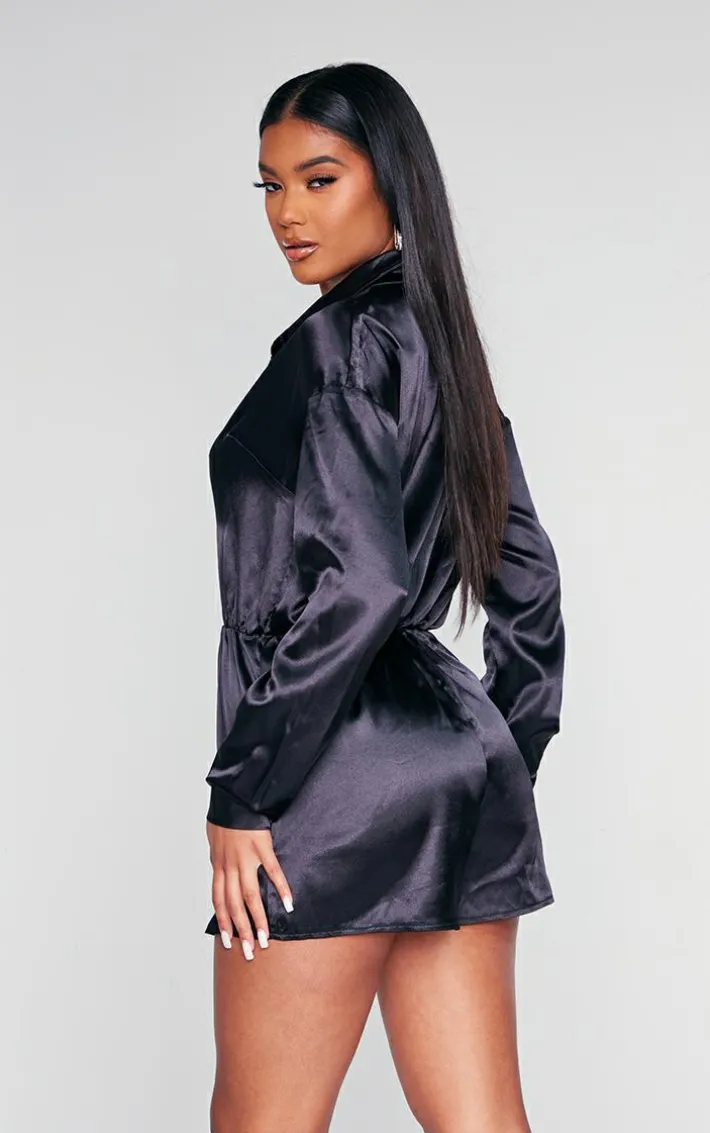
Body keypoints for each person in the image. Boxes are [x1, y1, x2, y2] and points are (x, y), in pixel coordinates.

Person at [203, 61, 565, 1133]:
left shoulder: (332, 347)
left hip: (330, 772)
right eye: (270, 185)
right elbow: (530, 585)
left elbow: (359, 581)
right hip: (455, 763)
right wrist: (493, 760)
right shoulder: (442, 345)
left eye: (319, 179)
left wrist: (243, 789)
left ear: (392, 178)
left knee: (260, 1121)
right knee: (480, 1120)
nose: (288, 213)